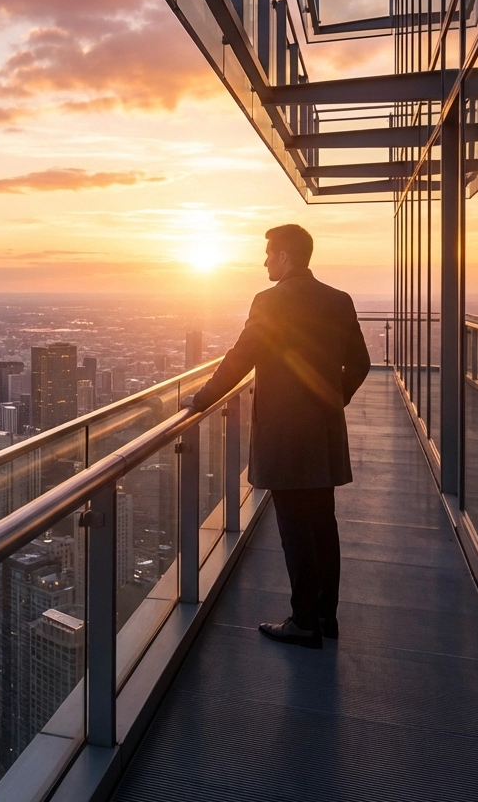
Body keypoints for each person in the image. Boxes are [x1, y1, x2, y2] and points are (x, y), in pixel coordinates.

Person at [181, 224, 370, 649]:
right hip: (322, 432)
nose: (264, 261)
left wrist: (202, 398)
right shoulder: (338, 300)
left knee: (294, 527)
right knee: (323, 523)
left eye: (268, 253)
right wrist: (331, 401)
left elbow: (240, 358)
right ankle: (325, 615)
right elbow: (360, 362)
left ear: (284, 255)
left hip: (284, 435)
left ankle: (303, 622)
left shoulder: (269, 301)